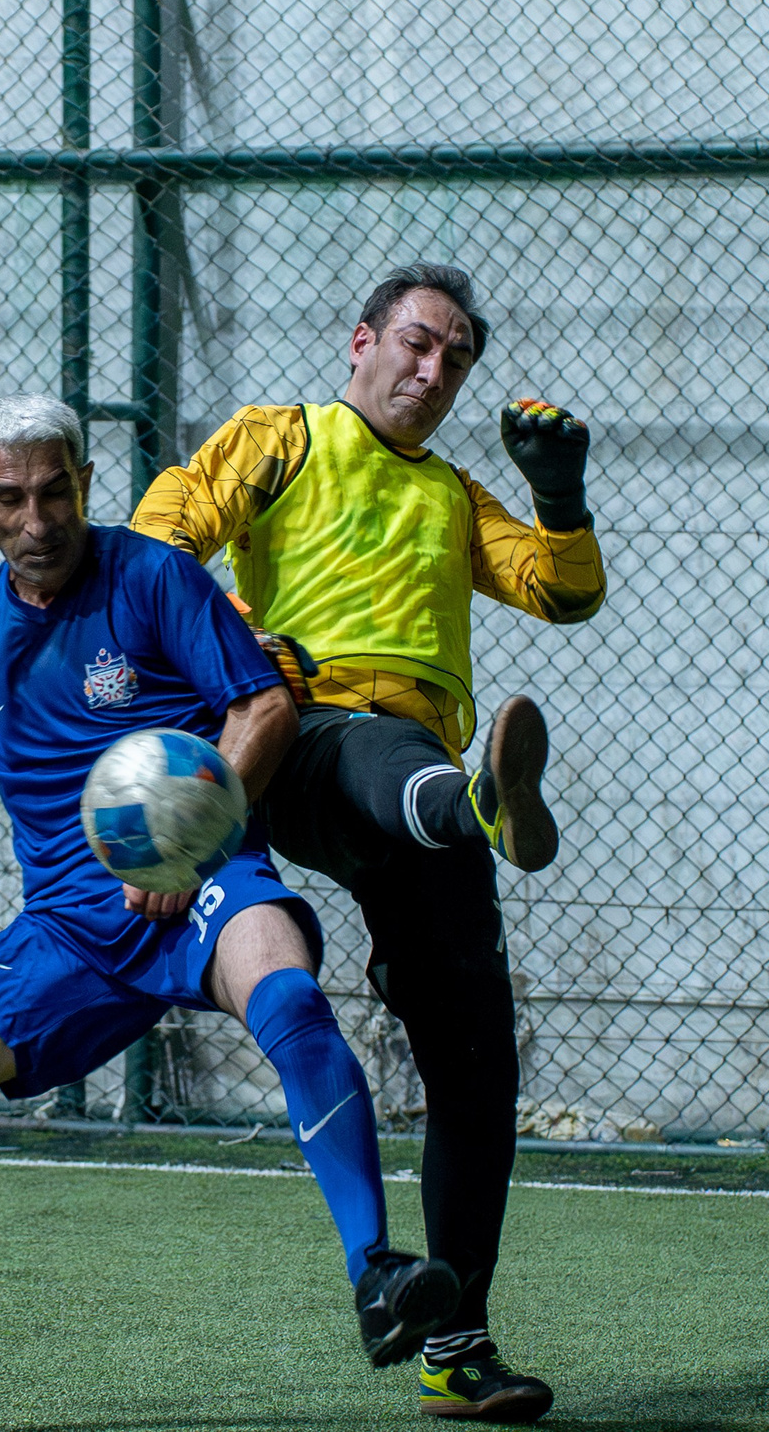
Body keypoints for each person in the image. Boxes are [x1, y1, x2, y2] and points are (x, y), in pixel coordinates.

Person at [0, 393, 459, 1432]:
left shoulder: (154, 577)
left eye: (54, 491)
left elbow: (263, 705)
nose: (37, 520)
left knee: (289, 995)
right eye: (9, 499)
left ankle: (377, 1272)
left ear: (84, 483)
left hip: (201, 881)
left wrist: (197, 832)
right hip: (68, 931)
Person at [131, 263, 606, 1423]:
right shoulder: (282, 439)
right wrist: (235, 633)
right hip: (297, 740)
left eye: (453, 358)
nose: (430, 371)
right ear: (360, 341)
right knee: (377, 752)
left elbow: (561, 594)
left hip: (425, 785)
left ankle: (457, 1344)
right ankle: (480, 807)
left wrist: (562, 496)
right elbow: (160, 534)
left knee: (476, 1065)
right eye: (413, 343)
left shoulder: (453, 496)